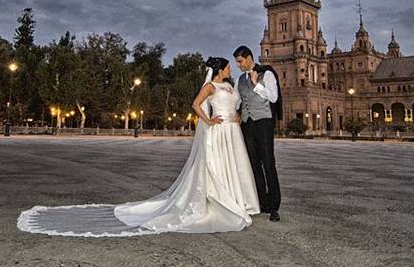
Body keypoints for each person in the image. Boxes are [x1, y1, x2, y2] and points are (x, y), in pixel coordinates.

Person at [17, 57, 261, 236]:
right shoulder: (211, 87)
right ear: (219, 69)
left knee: (232, 166)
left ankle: (234, 199)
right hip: (217, 131)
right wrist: (208, 121)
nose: (231, 68)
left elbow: (237, 107)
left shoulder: (229, 87)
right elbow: (196, 104)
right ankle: (218, 201)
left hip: (231, 131)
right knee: (215, 167)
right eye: (229, 66)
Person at [233, 45, 282, 222]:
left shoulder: (266, 73)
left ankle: (274, 206)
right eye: (236, 62)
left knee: (268, 163)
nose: (238, 65)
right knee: (254, 164)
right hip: (247, 124)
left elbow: (274, 97)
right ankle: (262, 201)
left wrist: (256, 84)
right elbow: (238, 101)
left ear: (249, 58)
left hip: (264, 123)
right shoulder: (239, 80)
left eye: (240, 61)